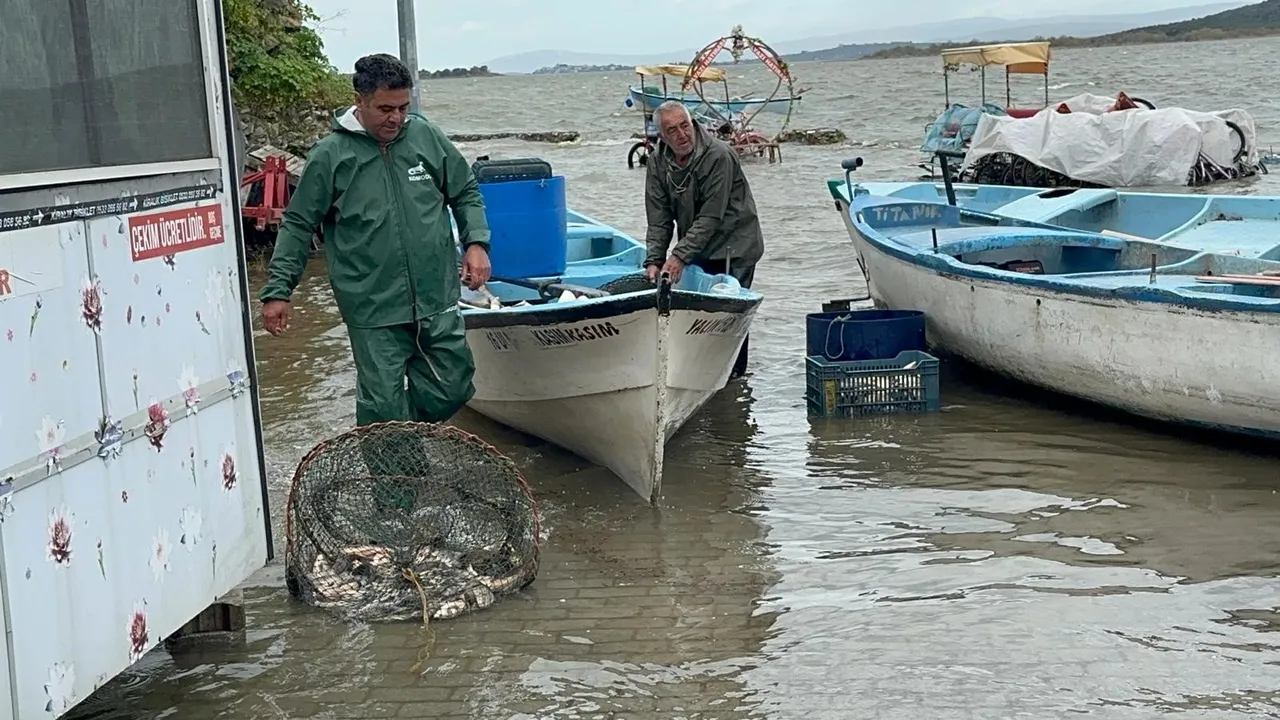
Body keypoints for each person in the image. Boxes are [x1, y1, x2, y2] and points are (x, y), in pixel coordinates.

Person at [258, 53, 491, 509]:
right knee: (383, 406)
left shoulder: (424, 136)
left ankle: (401, 445)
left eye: (403, 107)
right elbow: (298, 225)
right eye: (386, 109)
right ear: (359, 102)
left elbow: (464, 190)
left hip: (436, 295)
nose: (397, 118)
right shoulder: (331, 157)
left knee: (455, 384)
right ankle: (394, 507)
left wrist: (477, 242)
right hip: (371, 307)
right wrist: (278, 291)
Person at [643, 100, 764, 378]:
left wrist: (679, 256)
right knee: (696, 318)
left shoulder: (718, 155)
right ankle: (699, 376)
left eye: (685, 126)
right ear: (661, 136)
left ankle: (734, 380)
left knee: (728, 320)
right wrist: (655, 258)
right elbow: (659, 217)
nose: (681, 135)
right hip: (697, 245)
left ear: (693, 124)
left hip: (736, 244)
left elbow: (711, 216)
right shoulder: (657, 162)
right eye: (672, 130)